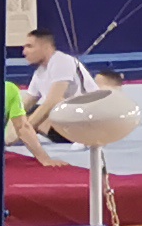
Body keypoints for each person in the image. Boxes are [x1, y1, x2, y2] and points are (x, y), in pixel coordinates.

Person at [13, 24, 134, 166]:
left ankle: (87, 137)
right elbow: (24, 105)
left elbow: (53, 100)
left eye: (29, 46)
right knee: (24, 115)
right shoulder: (40, 72)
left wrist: (19, 132)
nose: (24, 52)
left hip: (89, 120)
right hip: (68, 121)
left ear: (45, 47)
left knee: (39, 112)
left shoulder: (61, 61)